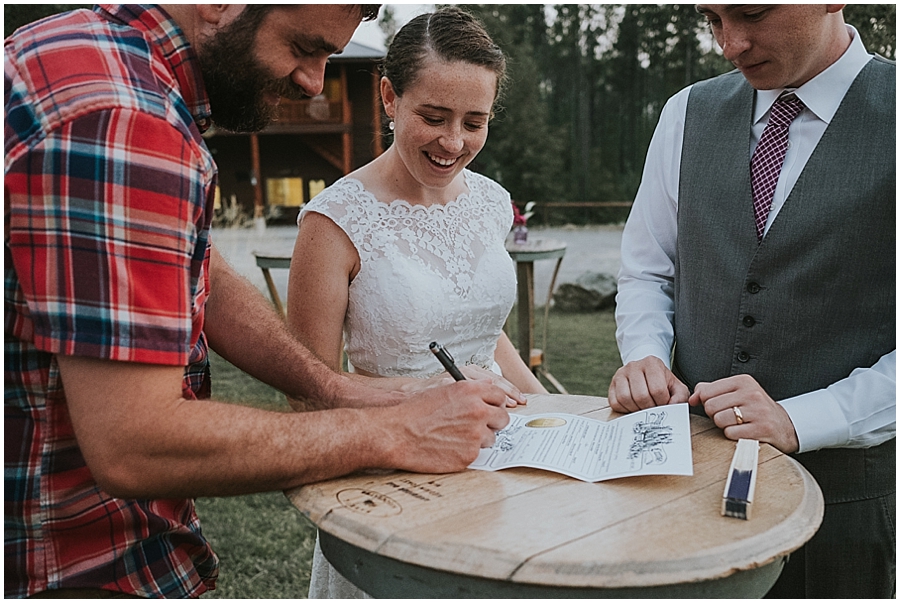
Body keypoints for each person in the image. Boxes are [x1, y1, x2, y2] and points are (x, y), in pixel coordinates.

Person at [4, 4, 516, 598]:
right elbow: (133, 441)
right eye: (303, 47)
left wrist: (337, 389)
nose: (314, 82)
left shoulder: (71, 50)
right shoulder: (127, 121)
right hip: (79, 559)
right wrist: (393, 432)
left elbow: (198, 270)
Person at [609, 4, 894, 598]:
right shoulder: (685, 113)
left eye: (751, 13)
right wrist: (645, 354)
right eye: (711, 19)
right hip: (681, 491)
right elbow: (647, 267)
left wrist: (801, 418)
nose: (729, 44)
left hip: (841, 511)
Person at [286, 7, 547, 597]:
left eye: (474, 122)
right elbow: (307, 395)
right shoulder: (334, 222)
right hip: (392, 479)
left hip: (499, 462)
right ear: (388, 97)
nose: (453, 142)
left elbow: (483, 332)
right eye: (433, 117)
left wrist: (558, 416)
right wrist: (421, 401)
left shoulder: (491, 202)